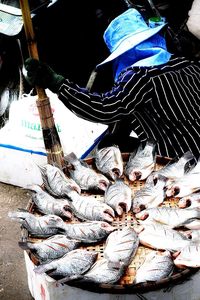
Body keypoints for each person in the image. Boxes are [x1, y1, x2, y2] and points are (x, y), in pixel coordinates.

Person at [24, 8, 200, 160]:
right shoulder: (187, 64)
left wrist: (57, 84)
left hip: (184, 160)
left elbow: (103, 108)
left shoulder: (140, 77)